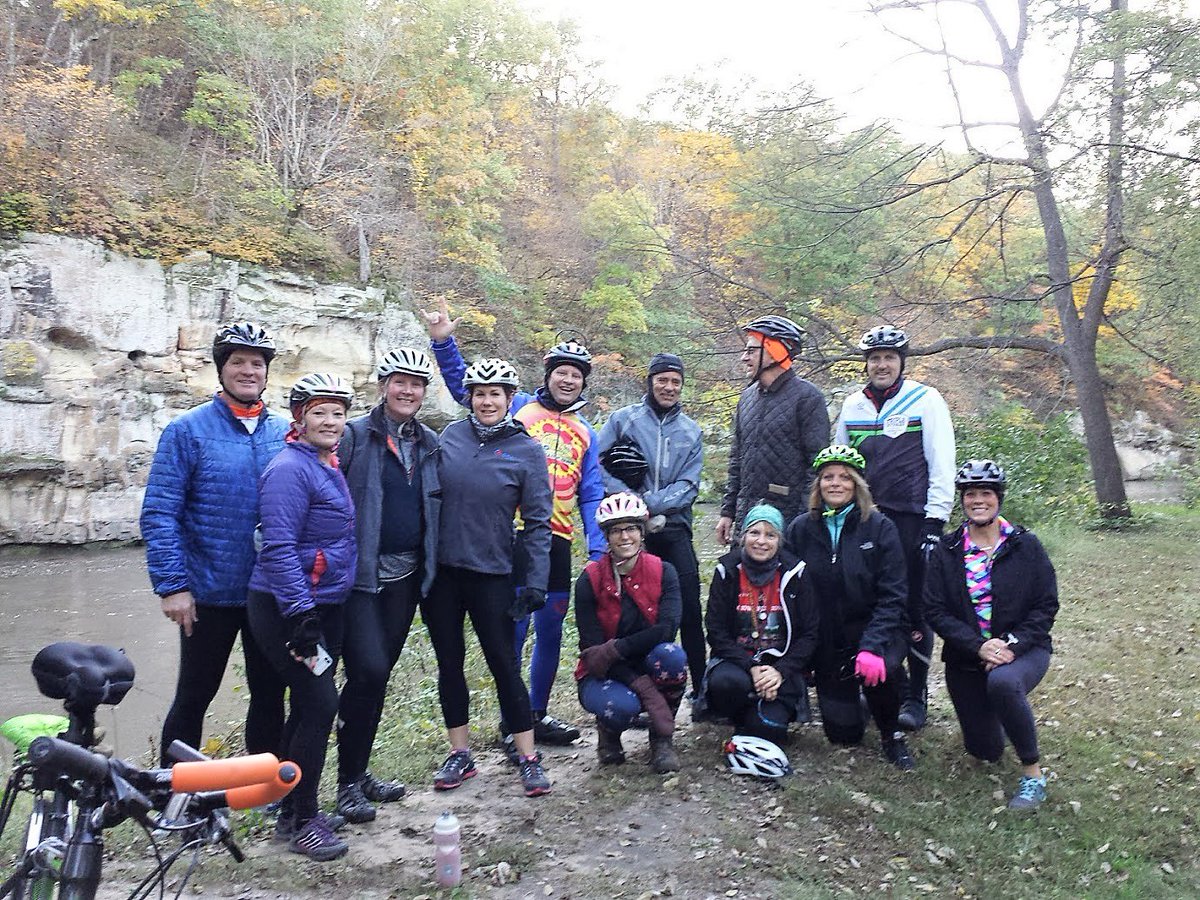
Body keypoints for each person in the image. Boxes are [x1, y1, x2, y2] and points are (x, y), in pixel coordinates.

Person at [425, 302, 605, 750]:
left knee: (550, 630)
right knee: (511, 634)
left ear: (584, 382)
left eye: (576, 374)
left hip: (556, 538)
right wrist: (444, 342)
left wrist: (599, 552)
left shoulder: (586, 431)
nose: (567, 380)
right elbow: (464, 385)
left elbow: (591, 492)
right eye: (560, 371)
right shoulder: (517, 406)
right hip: (509, 537)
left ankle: (536, 714)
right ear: (546, 376)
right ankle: (512, 722)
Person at [140, 322, 287, 767]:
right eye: (237, 362)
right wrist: (172, 585)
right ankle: (174, 797)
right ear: (221, 370)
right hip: (207, 593)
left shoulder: (284, 431)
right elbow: (160, 511)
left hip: (268, 592)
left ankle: (264, 793)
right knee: (194, 695)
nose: (247, 371)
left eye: (256, 364)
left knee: (269, 695)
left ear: (266, 373)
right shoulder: (187, 431)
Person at [424, 358, 554, 797]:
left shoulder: (527, 450)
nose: (486, 401)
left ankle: (528, 757)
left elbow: (538, 522)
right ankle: (460, 753)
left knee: (504, 664)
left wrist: (535, 582)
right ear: (470, 398)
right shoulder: (451, 437)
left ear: (509, 399)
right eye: (479, 393)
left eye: (495, 393)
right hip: (444, 574)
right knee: (450, 664)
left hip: (493, 573)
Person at [246, 373, 357, 861]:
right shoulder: (290, 469)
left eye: (337, 412)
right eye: (319, 411)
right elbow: (280, 546)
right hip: (287, 609)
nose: (330, 420)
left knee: (309, 707)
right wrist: (300, 616)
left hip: (319, 604)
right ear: (299, 417)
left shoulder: (324, 462)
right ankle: (305, 818)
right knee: (318, 705)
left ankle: (292, 812)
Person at [333, 349, 441, 825]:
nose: (408, 390)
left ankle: (358, 774)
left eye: (416, 383)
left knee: (376, 678)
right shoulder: (355, 435)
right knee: (368, 671)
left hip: (407, 576)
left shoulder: (430, 441)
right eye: (400, 381)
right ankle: (342, 784)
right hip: (358, 578)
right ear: (383, 384)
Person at [834, 325, 955, 732]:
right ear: (866, 364)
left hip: (912, 519)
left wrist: (935, 520)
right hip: (865, 519)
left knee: (914, 605)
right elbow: (841, 466)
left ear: (901, 362)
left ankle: (915, 696)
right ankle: (883, 683)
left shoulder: (926, 399)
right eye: (874, 358)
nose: (881, 364)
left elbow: (941, 461)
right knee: (868, 600)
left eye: (889, 357)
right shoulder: (852, 405)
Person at [925, 460, 1059, 810]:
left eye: (986, 493)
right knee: (985, 750)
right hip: (967, 657)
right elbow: (934, 610)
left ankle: (1032, 774)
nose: (978, 500)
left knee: (1002, 682)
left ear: (998, 498)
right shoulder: (947, 550)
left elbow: (1046, 605)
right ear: (962, 501)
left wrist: (1011, 646)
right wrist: (979, 646)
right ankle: (997, 717)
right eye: (971, 494)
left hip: (1024, 650)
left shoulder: (1025, 546)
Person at [785, 445, 915, 770]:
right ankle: (857, 703)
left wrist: (872, 646)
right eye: (828, 477)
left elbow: (894, 593)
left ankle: (891, 733)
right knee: (844, 735)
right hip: (829, 638)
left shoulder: (879, 526)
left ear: (857, 484)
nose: (836, 483)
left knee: (881, 672)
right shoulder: (801, 528)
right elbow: (786, 585)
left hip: (875, 631)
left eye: (845, 477)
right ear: (818, 485)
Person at [596, 352, 706, 694]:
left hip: (673, 528)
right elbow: (597, 466)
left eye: (675, 382)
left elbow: (689, 486)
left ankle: (701, 687)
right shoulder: (622, 419)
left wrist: (648, 505)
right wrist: (632, 505)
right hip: (628, 530)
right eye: (663, 380)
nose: (668, 387)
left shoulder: (691, 430)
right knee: (635, 612)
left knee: (688, 607)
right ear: (650, 381)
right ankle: (639, 683)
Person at [574, 493, 687, 773]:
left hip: (647, 661)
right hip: (604, 672)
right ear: (606, 536)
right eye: (616, 530)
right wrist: (642, 686)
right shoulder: (589, 580)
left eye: (631, 528)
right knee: (622, 705)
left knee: (672, 657)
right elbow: (594, 652)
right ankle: (608, 735)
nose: (625, 537)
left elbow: (666, 630)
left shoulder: (664, 571)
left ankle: (662, 740)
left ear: (642, 531)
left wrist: (616, 649)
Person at [703, 504, 818, 746]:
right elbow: (715, 629)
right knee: (726, 683)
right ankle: (739, 713)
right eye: (754, 533)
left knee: (768, 732)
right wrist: (751, 667)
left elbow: (809, 634)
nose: (761, 541)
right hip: (738, 662)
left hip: (780, 665)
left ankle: (761, 714)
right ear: (743, 536)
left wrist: (780, 671)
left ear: (780, 540)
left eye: (770, 534)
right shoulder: (727, 570)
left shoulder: (795, 573)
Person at [716, 315, 829, 545]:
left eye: (751, 351)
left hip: (789, 521)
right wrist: (728, 512)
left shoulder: (808, 398)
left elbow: (817, 467)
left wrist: (805, 522)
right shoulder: (746, 397)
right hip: (747, 518)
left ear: (775, 351)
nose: (744, 357)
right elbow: (736, 461)